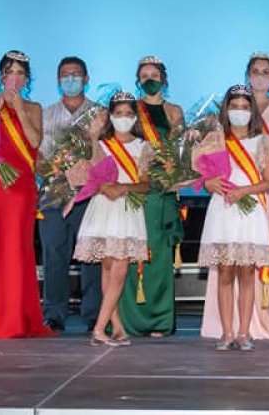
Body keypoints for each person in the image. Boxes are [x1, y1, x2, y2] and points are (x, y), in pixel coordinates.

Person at [202, 53, 269, 341]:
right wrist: (211, 182)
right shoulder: (219, 129)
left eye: (266, 72)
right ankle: (226, 329)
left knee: (256, 262)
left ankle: (261, 323)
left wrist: (263, 173)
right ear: (247, 74)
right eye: (255, 71)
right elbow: (207, 168)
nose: (260, 76)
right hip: (226, 200)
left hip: (262, 194)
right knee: (227, 267)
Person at [0, 50, 52, 338]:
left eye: (20, 73)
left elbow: (34, 141)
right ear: (1, 76)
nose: (14, 77)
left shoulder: (34, 107)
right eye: (10, 72)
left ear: (27, 78)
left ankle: (17, 318)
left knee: (17, 247)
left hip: (20, 184)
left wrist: (19, 109)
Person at [194, 84, 269, 351]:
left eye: (244, 107)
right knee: (225, 272)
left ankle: (243, 333)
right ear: (226, 110)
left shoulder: (262, 141)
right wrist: (208, 184)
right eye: (234, 106)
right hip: (223, 208)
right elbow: (204, 176)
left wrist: (244, 191)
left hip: (250, 209)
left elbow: (267, 183)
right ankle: (226, 332)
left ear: (252, 110)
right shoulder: (215, 139)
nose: (239, 112)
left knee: (247, 273)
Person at [72, 91, 152, 346]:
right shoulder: (102, 145)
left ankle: (106, 327)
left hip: (128, 210)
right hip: (104, 208)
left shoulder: (143, 147)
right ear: (111, 116)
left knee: (119, 270)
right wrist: (105, 186)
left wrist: (124, 187)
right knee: (108, 270)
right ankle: (110, 327)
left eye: (129, 114)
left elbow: (146, 185)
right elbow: (91, 176)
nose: (124, 118)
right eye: (119, 114)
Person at [118, 55, 184, 338]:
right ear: (137, 80)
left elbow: (182, 152)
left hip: (162, 193)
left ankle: (159, 320)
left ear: (164, 79)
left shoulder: (174, 112)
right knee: (130, 255)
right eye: (144, 75)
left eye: (154, 74)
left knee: (158, 258)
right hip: (136, 190)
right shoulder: (128, 112)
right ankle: (128, 319)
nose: (149, 80)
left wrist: (175, 172)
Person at [38, 56, 102, 334]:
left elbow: (106, 154)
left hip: (89, 194)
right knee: (53, 253)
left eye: (76, 74)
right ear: (58, 80)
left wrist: (84, 173)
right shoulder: (45, 114)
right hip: (53, 191)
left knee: (90, 255)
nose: (71, 79)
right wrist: (54, 170)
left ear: (87, 79)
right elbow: (36, 154)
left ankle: (94, 314)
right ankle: (54, 313)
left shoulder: (100, 114)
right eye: (65, 75)